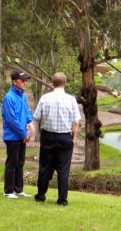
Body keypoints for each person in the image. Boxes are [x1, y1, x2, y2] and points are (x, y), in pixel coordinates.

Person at [33, 72, 81, 206]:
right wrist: (74, 138)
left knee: (44, 168)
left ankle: (41, 196)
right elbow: (75, 122)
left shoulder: (45, 98)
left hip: (48, 136)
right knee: (63, 170)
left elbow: (37, 117)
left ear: (52, 83)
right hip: (65, 137)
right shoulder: (71, 99)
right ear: (64, 83)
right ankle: (62, 200)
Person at [2, 70, 34, 198]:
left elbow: (26, 110)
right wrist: (24, 134)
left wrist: (30, 121)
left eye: (26, 80)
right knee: (12, 163)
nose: (25, 82)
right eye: (23, 80)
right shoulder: (9, 97)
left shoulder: (23, 95)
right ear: (15, 82)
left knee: (20, 162)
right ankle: (8, 191)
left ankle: (18, 189)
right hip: (12, 136)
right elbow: (11, 120)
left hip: (21, 135)